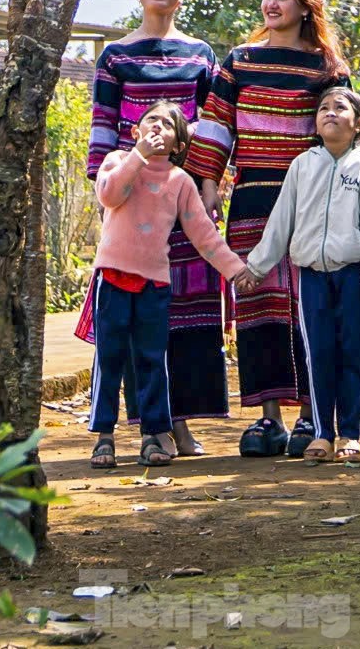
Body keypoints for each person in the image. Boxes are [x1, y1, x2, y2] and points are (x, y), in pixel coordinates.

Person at [186, 0, 350, 458]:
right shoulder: (239, 61)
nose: (271, 4)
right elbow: (215, 124)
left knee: (308, 306)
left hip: (310, 196)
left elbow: (338, 131)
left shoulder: (327, 68)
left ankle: (310, 417)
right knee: (258, 303)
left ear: (306, 7)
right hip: (253, 194)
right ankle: (267, 418)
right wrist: (210, 182)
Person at [86, 0, 227, 455]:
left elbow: (211, 126)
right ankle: (143, 427)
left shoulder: (200, 54)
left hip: (184, 196)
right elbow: (102, 128)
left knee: (187, 314)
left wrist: (208, 181)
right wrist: (106, 197)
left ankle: (181, 423)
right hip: (131, 199)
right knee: (130, 320)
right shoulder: (115, 57)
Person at [89, 101, 246, 469]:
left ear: (178, 145)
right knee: (110, 360)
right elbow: (110, 195)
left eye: (168, 124)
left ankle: (152, 434)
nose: (159, 127)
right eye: (151, 121)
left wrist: (236, 270)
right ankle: (104, 437)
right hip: (111, 278)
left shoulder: (180, 181)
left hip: (155, 285)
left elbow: (204, 235)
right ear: (135, 132)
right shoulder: (116, 161)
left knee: (152, 361)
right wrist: (137, 157)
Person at [237, 85, 360, 464]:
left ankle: (350, 434)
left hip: (353, 277)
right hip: (311, 277)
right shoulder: (303, 164)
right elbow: (281, 220)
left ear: (359, 124)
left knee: (354, 352)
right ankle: (322, 433)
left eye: (340, 107)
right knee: (317, 353)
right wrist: (256, 266)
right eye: (323, 108)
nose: (330, 113)